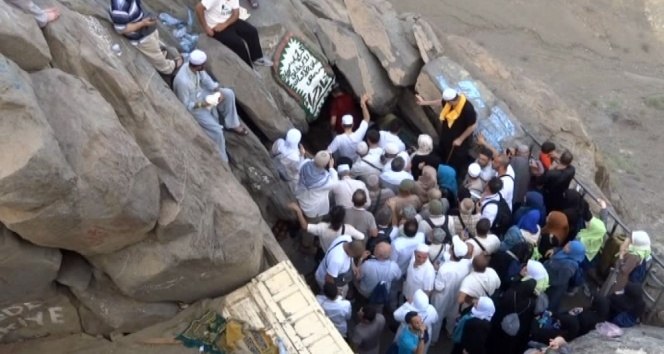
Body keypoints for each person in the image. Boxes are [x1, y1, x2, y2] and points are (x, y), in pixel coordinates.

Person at [173, 50, 248, 163]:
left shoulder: (196, 70)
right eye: (203, 64)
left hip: (202, 94)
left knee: (228, 93)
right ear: (198, 65)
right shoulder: (182, 81)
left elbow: (207, 81)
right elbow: (186, 105)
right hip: (195, 107)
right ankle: (223, 160)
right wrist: (204, 104)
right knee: (217, 131)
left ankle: (232, 124)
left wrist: (218, 92)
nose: (205, 65)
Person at [110, 0, 182, 75]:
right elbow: (121, 29)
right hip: (141, 37)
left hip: (146, 29)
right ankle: (168, 68)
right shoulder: (119, 7)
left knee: (155, 43)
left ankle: (157, 54)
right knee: (155, 52)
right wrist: (142, 23)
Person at [416, 88, 477, 176]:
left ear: (452, 100)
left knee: (454, 160)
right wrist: (424, 103)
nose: (446, 103)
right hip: (447, 133)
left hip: (458, 139)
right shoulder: (450, 103)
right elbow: (440, 102)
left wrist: (460, 139)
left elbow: (472, 126)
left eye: (448, 102)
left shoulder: (468, 109)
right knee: (443, 151)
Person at [195, 0, 273, 68]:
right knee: (238, 44)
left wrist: (225, 24)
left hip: (227, 21)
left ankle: (257, 58)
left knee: (252, 31)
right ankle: (249, 67)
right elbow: (199, 8)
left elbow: (236, 14)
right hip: (215, 26)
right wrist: (206, 27)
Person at [431, 236, 472, 343]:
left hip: (442, 297)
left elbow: (438, 287)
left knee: (437, 317)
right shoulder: (467, 264)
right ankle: (450, 332)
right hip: (457, 294)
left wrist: (436, 270)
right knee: (452, 314)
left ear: (453, 252)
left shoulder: (444, 269)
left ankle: (434, 339)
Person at [295, 151, 338, 252]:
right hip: (314, 209)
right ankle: (306, 245)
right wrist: (331, 168)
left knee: (302, 218)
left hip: (302, 199)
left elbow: (299, 165)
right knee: (309, 229)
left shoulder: (304, 164)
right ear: (326, 163)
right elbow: (336, 183)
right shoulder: (325, 181)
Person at [288, 203, 364, 252]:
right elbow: (361, 237)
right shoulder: (348, 229)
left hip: (324, 250)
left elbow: (305, 226)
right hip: (337, 251)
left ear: (330, 216)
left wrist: (298, 211)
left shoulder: (322, 227)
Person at [488, 279, 537, 354]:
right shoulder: (531, 303)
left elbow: (500, 307)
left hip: (500, 325)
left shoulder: (509, 294)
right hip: (514, 332)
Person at [544, 240, 585, 313]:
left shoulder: (568, 267)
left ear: (573, 252)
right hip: (548, 278)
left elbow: (561, 281)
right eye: (569, 243)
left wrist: (546, 283)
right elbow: (561, 249)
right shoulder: (567, 254)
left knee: (548, 304)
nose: (566, 245)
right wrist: (554, 250)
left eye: (569, 247)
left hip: (552, 287)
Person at [327, 94, 371, 160]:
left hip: (344, 162)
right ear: (353, 124)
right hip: (357, 162)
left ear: (342, 125)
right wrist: (363, 104)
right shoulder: (359, 134)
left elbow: (328, 151)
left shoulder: (338, 139)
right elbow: (367, 118)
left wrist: (332, 162)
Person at [510, 145, 532, 210]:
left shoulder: (514, 160)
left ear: (517, 152)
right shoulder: (530, 162)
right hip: (522, 194)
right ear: (528, 153)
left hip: (512, 191)